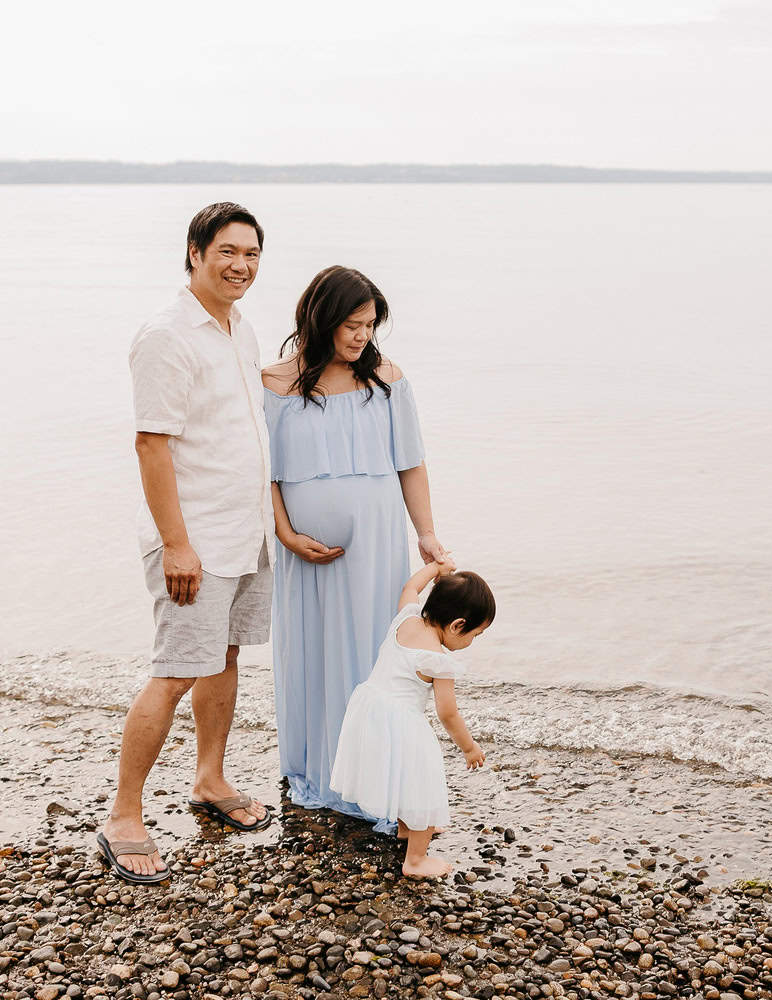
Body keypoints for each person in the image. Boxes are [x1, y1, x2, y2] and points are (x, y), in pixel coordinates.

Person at [97, 203, 273, 885]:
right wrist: (176, 543)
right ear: (195, 253)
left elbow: (245, 419)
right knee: (174, 671)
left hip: (243, 530)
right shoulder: (168, 335)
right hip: (192, 537)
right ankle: (123, 816)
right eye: (228, 252)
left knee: (222, 656)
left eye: (253, 254)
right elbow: (152, 442)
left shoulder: (240, 328)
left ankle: (210, 778)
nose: (241, 266)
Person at [262, 266, 451, 828]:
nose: (361, 336)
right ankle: (319, 768)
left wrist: (427, 534)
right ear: (318, 320)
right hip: (303, 551)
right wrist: (285, 532)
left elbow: (411, 463)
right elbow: (263, 474)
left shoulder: (386, 379)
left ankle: (373, 776)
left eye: (370, 325)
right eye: (350, 324)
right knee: (314, 655)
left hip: (374, 544)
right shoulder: (273, 383)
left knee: (371, 657)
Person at [330, 562, 494, 877]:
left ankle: (407, 829)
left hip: (369, 710)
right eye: (476, 634)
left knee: (404, 777)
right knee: (422, 783)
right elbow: (448, 713)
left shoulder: (405, 619)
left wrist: (436, 567)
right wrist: (469, 747)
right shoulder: (438, 659)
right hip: (403, 722)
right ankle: (415, 860)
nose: (473, 641)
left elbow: (410, 587)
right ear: (458, 625)